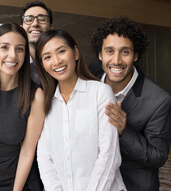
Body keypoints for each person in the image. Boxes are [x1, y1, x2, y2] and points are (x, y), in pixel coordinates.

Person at [34, 29, 126, 191]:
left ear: (75, 53)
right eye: (47, 57)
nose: (56, 61)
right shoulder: (46, 102)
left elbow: (109, 155)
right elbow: (44, 158)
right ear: (42, 65)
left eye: (61, 51)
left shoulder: (100, 92)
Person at [89, 16, 171, 191]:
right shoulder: (89, 76)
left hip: (132, 185)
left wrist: (124, 131)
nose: (117, 61)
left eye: (125, 52)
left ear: (136, 55)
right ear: (100, 54)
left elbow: (157, 156)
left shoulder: (159, 100)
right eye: (109, 51)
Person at [0, 23, 45, 190]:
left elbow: (27, 153)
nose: (12, 55)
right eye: (5, 47)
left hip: (15, 185)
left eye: (20, 49)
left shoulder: (35, 95)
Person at [20, 1, 53, 85]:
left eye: (42, 19)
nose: (35, 24)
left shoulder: (59, 62)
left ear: (51, 28)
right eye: (28, 20)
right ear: (21, 29)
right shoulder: (14, 62)